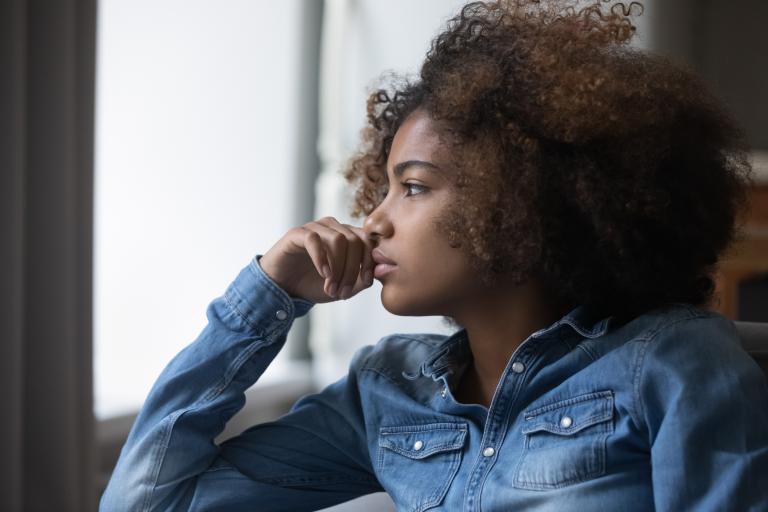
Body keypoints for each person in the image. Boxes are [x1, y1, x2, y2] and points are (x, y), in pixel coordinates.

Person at [100, 1, 768, 510]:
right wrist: (267, 297)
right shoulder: (387, 394)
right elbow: (149, 500)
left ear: (521, 205)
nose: (375, 220)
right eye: (383, 185)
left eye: (413, 187)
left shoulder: (672, 362)